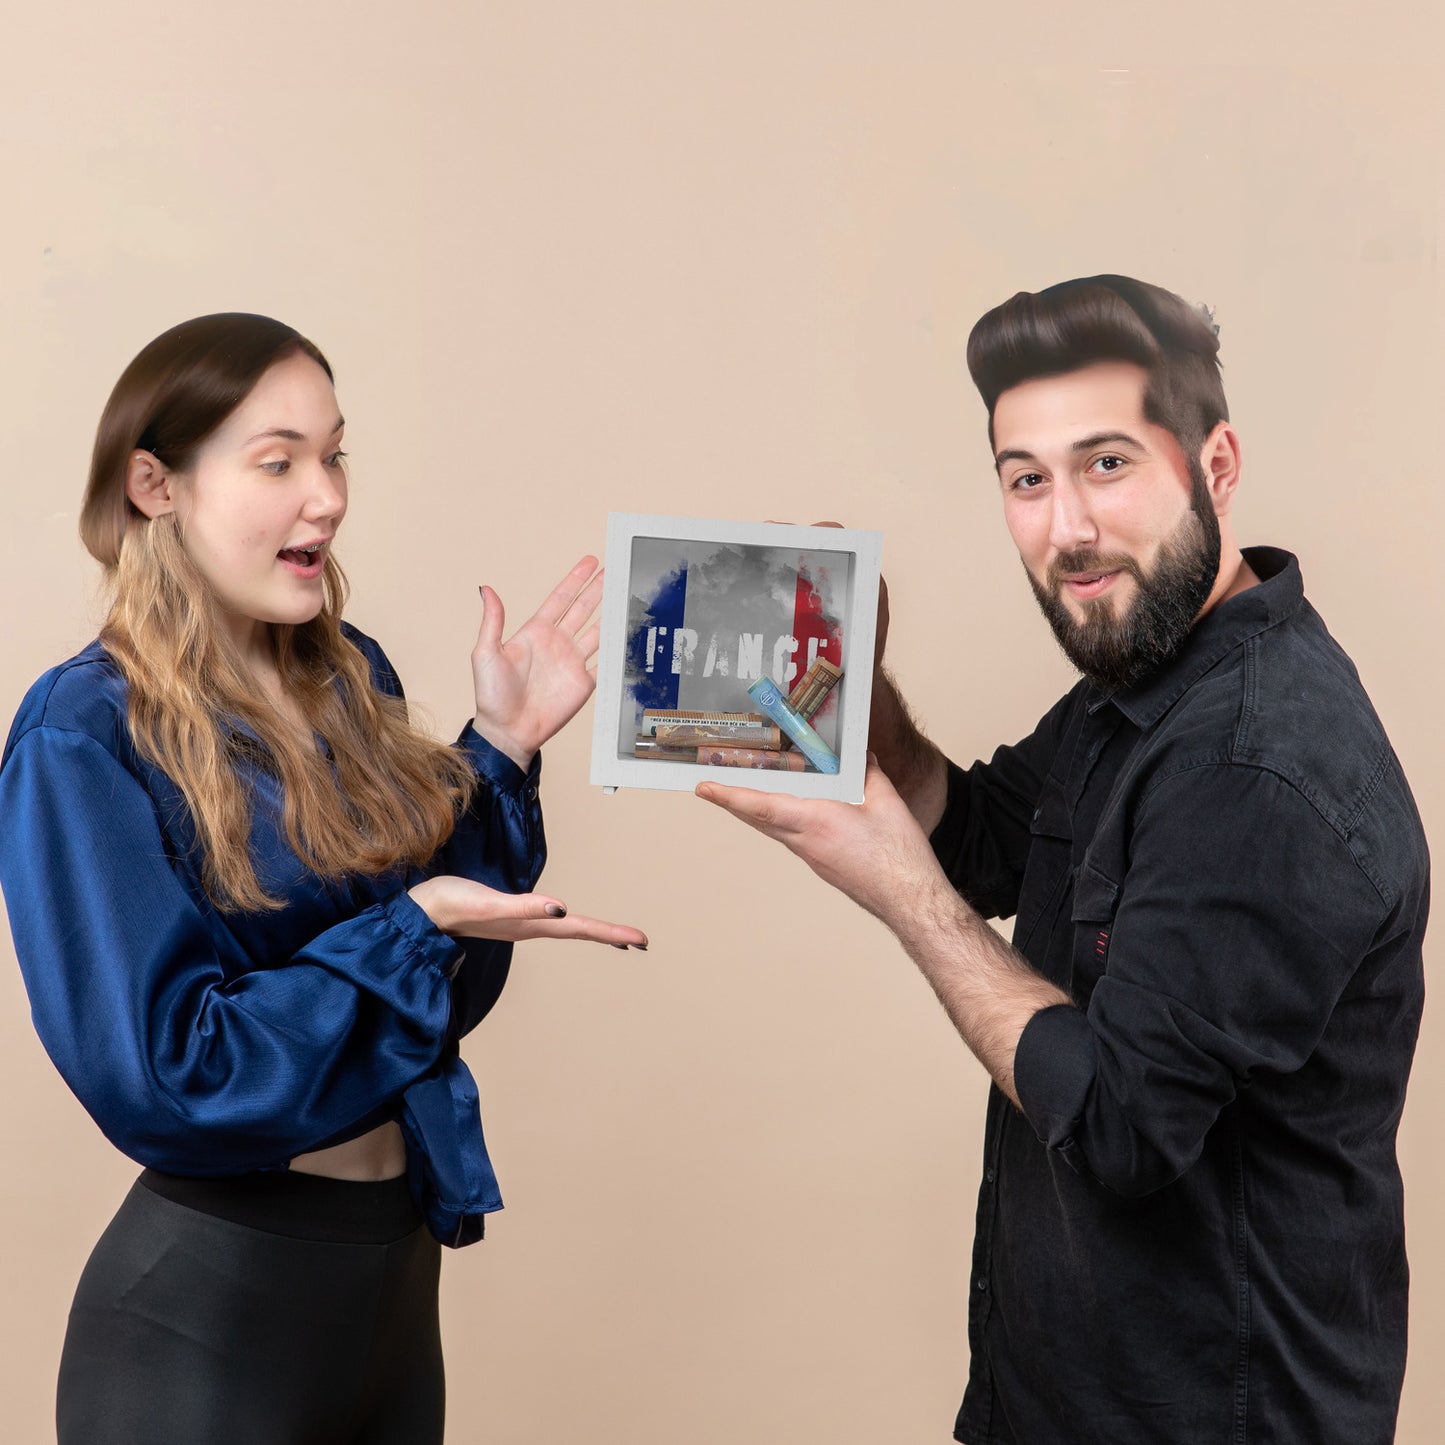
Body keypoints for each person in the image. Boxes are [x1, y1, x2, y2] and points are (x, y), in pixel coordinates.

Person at [697, 275, 1428, 1444]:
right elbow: (988, 833)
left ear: (1215, 465)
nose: (1066, 527)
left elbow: (1122, 1121)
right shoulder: (1147, 676)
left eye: (1105, 464)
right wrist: (859, 690)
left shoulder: (1253, 767)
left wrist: (903, 896)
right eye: (1026, 478)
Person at [0, 312, 647, 1445]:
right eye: (278, 460)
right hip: (199, 1328)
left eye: (334, 453)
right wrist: (410, 925)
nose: (328, 495)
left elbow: (432, 1001)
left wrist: (501, 747)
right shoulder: (81, 731)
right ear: (155, 484)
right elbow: (168, 1073)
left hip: (389, 1300)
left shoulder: (354, 680)